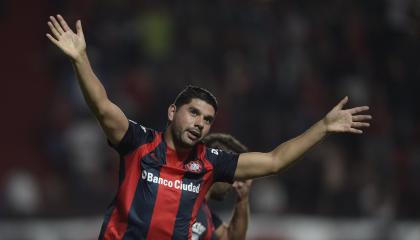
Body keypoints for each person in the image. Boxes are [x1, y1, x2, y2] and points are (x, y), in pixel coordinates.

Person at [46, 15, 372, 240]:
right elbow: (103, 108)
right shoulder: (139, 143)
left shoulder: (210, 163)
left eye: (207, 119)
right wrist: (80, 59)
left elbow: (274, 161)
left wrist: (324, 126)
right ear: (173, 112)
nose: (200, 123)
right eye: (194, 113)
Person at [193, 133, 252, 240]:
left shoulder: (204, 213)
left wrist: (243, 197)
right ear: (219, 168)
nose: (234, 183)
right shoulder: (181, 200)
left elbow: (232, 238)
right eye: (233, 174)